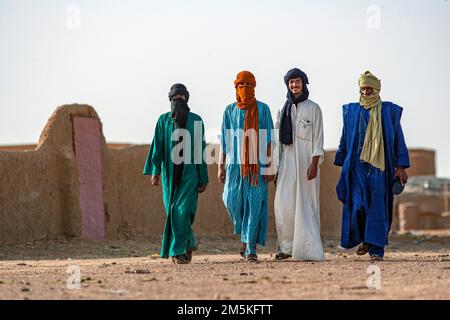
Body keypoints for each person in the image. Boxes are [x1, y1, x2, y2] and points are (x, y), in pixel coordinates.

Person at [334, 71, 410, 261]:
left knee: (377, 209)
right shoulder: (351, 111)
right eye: (363, 88)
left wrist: (401, 166)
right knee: (357, 205)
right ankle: (365, 239)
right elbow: (345, 138)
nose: (366, 91)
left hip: (380, 169)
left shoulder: (388, 111)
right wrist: (342, 161)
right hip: (357, 168)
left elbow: (398, 139)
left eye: (370, 88)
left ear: (376, 89)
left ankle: (376, 249)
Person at [143, 83, 209, 264]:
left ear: (187, 99)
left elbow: (200, 151)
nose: (178, 100)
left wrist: (202, 177)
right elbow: (157, 146)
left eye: (182, 97)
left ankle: (178, 251)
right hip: (169, 176)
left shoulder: (196, 120)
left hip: (189, 175)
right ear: (170, 99)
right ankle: (189, 242)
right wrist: (155, 170)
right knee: (172, 212)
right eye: (175, 97)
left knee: (182, 211)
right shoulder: (163, 120)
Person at [218, 71, 275, 262]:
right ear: (236, 88)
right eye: (241, 85)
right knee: (231, 200)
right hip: (235, 165)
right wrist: (220, 165)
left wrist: (270, 164)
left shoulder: (263, 109)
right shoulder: (229, 110)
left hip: (257, 166)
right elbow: (224, 140)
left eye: (249, 85)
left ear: (254, 87)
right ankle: (244, 234)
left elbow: (270, 140)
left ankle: (250, 248)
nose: (245, 89)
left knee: (254, 205)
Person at [274, 68, 325, 261]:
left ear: (304, 84)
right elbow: (277, 142)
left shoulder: (313, 108)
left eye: (297, 82)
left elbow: (318, 138)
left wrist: (314, 163)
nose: (294, 85)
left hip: (307, 163)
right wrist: (275, 168)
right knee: (284, 204)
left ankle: (309, 249)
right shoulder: (281, 109)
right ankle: (287, 247)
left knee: (306, 205)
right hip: (286, 162)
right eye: (291, 82)